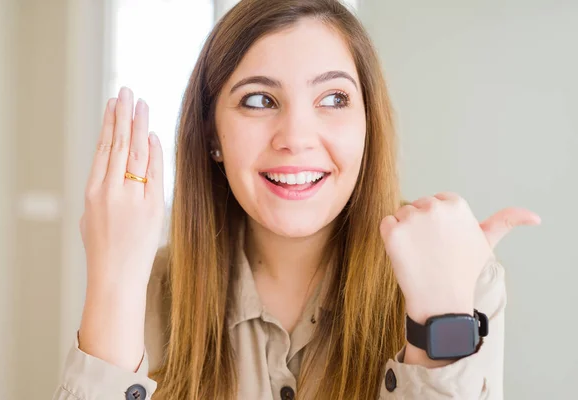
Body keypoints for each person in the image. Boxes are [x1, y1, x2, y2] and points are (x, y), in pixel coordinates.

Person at [53, 0, 541, 399]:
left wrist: (440, 323)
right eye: (260, 100)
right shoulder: (146, 290)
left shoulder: (457, 283)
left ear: (368, 125)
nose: (297, 137)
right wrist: (114, 277)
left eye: (333, 99)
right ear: (212, 135)